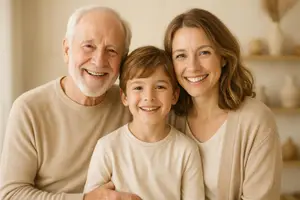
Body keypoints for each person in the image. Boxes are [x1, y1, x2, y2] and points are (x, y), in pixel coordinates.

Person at [0, 5, 142, 200]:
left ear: (123, 60)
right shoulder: (28, 108)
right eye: (89, 46)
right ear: (67, 50)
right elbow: (11, 194)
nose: (99, 61)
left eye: (111, 51)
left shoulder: (134, 105)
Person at [164, 8, 282, 200]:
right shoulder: (167, 117)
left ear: (224, 57)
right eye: (181, 55)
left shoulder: (256, 120)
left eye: (204, 52)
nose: (193, 67)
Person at [83, 45, 205, 200]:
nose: (149, 97)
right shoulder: (107, 147)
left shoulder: (186, 150)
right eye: (138, 87)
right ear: (124, 97)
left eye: (160, 87)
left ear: (174, 95)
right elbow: (93, 197)